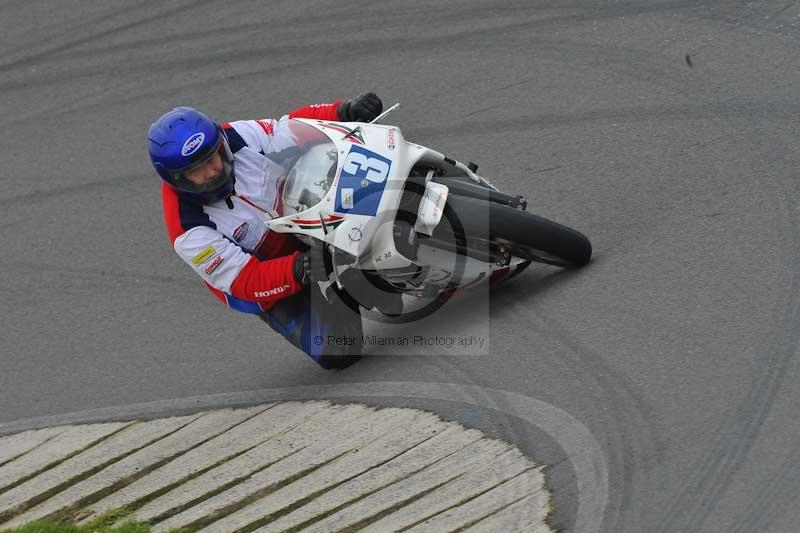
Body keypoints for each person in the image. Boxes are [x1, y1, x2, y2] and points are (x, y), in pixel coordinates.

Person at [147, 94, 383, 369]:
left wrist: (342, 111)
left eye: (213, 157)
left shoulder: (235, 136)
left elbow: (290, 130)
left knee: (336, 157)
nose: (212, 171)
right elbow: (246, 280)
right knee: (338, 350)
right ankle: (350, 285)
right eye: (196, 170)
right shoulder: (187, 230)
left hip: (304, 220)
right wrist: (300, 268)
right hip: (272, 275)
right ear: (175, 180)